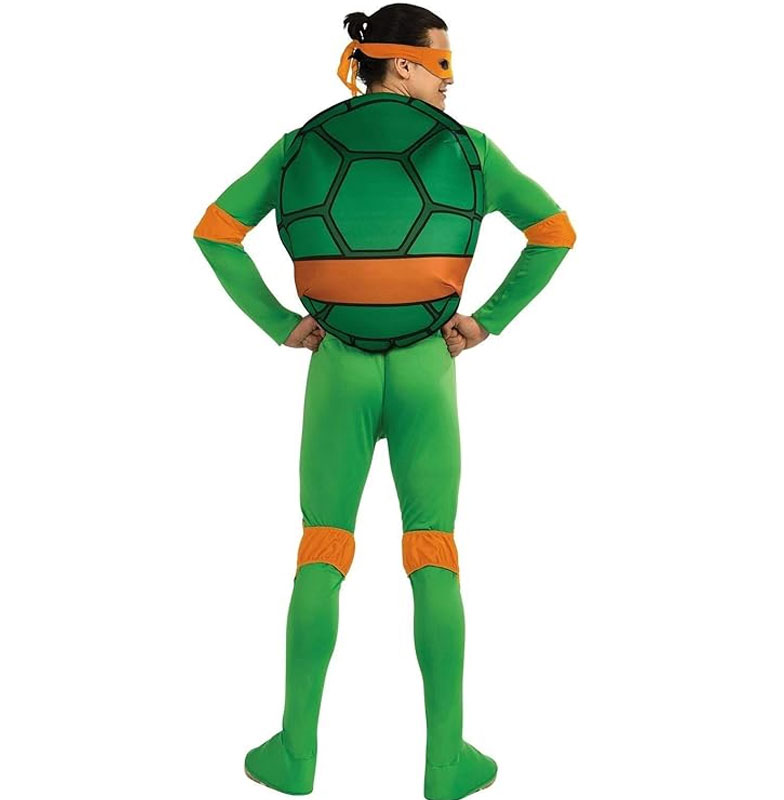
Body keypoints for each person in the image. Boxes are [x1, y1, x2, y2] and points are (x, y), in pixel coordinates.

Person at [192, 4, 576, 798]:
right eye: (442, 65)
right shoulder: (470, 149)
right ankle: (447, 761)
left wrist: (278, 323)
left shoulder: (299, 146)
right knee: (433, 551)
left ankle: (295, 754)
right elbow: (555, 231)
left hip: (337, 365)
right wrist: (486, 322)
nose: (449, 82)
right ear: (402, 63)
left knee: (323, 547)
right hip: (428, 364)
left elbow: (215, 230)